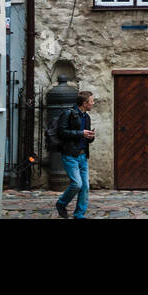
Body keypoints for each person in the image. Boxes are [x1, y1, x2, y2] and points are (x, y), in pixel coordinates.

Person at [56, 90, 96, 219]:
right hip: (70, 155)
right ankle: (61, 203)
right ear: (84, 103)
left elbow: (86, 136)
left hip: (83, 156)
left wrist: (90, 136)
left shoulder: (87, 117)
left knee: (85, 187)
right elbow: (61, 132)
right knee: (77, 184)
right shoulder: (68, 113)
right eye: (91, 101)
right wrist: (81, 133)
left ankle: (79, 215)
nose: (93, 103)